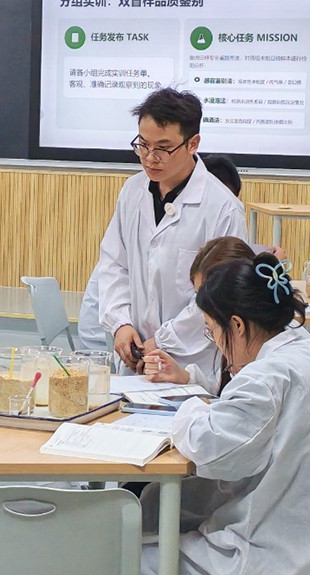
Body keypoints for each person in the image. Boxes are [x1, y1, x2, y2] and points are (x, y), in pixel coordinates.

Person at [139, 253, 310, 575]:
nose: (216, 343)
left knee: (129, 561)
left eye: (212, 331)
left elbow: (211, 448)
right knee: (159, 505)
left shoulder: (267, 376)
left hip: (286, 564)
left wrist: (189, 408)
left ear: (237, 325)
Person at [97, 89, 246, 375]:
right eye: (143, 145)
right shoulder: (132, 191)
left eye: (163, 148)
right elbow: (114, 264)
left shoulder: (223, 208)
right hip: (135, 353)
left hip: (191, 362)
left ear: (193, 144)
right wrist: (121, 323)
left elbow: (219, 294)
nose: (150, 158)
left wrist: (162, 340)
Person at [142, 236, 259, 394]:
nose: (202, 308)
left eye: (204, 297)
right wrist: (185, 377)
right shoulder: (247, 339)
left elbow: (235, 403)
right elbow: (224, 392)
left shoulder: (265, 368)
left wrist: (200, 405)